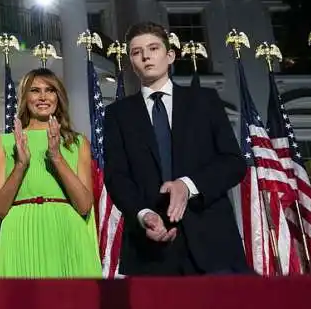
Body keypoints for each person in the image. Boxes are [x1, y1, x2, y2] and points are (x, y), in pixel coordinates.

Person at [103, 21, 248, 275]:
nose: (146, 56)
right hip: (150, 249)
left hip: (212, 242)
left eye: (153, 48)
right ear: (131, 63)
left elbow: (232, 162)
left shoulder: (205, 101)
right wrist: (143, 214)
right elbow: (117, 177)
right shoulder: (117, 114)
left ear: (170, 55)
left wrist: (188, 185)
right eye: (136, 52)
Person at [0, 68, 101, 278]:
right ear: (25, 97)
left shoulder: (77, 143)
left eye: (50, 90)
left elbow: (84, 204)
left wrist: (56, 156)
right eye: (35, 90)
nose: (43, 97)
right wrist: (21, 165)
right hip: (20, 236)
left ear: (58, 97)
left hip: (66, 233)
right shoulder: (5, 143)